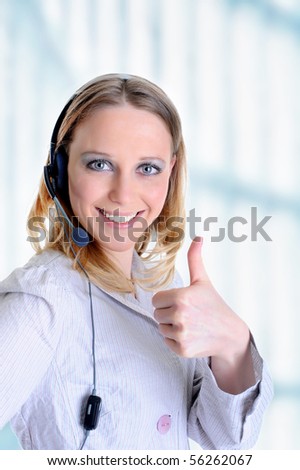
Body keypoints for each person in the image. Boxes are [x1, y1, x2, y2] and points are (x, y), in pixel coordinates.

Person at [0, 73, 273, 450]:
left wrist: (233, 345)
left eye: (148, 169)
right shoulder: (40, 304)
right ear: (59, 172)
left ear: (171, 173)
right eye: (99, 164)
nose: (124, 195)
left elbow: (225, 440)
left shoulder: (163, 286)